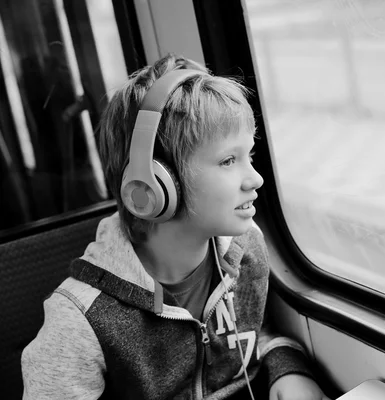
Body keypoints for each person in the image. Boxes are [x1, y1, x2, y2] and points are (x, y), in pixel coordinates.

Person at [21, 54, 329, 400]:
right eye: (229, 160)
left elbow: (258, 335)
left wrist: (285, 369)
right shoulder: (80, 321)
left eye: (250, 156)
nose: (255, 179)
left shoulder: (246, 249)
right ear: (153, 185)